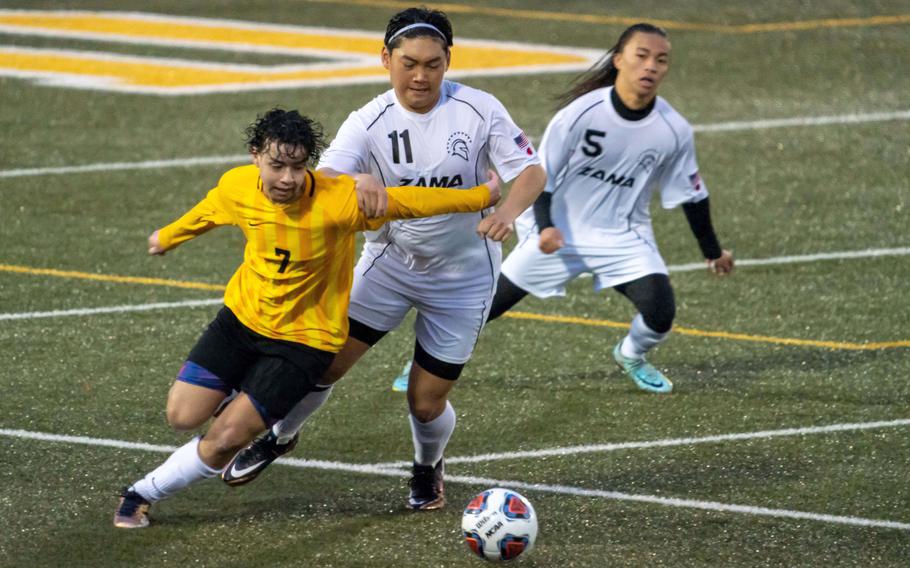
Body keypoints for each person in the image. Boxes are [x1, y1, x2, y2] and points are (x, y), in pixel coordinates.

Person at [221, 7, 546, 511]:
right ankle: (281, 435)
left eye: (433, 64)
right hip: (390, 264)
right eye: (409, 62)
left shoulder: (480, 111)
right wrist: (357, 180)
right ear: (385, 59)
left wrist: (506, 212)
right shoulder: (368, 120)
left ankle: (426, 467)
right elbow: (321, 181)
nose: (420, 75)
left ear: (448, 61)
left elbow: (530, 172)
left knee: (425, 398)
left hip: (462, 277)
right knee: (324, 363)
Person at [112, 107, 502, 528]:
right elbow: (209, 211)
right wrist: (168, 237)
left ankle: (141, 493)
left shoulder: (339, 201)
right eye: (277, 165)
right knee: (181, 416)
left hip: (304, 342)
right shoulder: (237, 186)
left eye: (298, 167)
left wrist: (482, 196)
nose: (287, 178)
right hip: (240, 322)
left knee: (225, 439)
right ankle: (248, 402)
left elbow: (413, 202)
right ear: (255, 156)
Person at [488, 22, 734, 394]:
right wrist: (546, 228)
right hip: (557, 232)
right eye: (642, 56)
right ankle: (429, 363)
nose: (651, 66)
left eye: (661, 60)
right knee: (481, 309)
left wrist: (712, 252)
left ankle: (631, 354)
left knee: (660, 313)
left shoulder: (673, 129)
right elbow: (541, 176)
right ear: (619, 60)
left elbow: (693, 194)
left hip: (621, 236)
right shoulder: (580, 114)